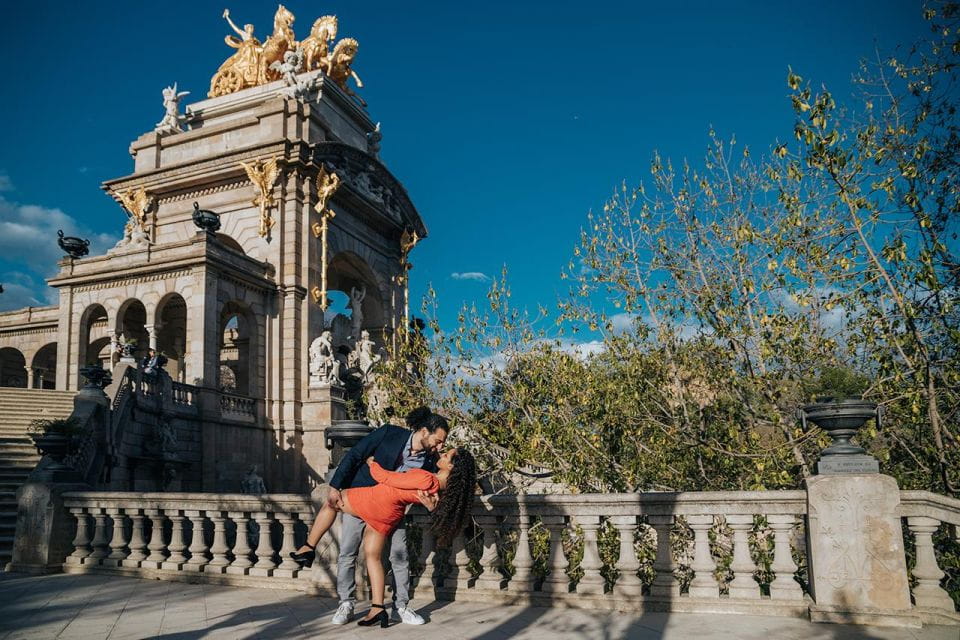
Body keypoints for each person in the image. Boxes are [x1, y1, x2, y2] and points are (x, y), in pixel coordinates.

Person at [291, 445, 476, 628]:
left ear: (451, 467)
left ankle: (308, 547)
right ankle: (377, 608)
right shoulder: (440, 490)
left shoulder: (427, 478)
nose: (442, 453)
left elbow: (388, 478)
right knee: (373, 557)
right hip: (389, 514)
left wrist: (372, 463)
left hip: (375, 501)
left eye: (447, 455)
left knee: (332, 502)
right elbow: (435, 507)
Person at [293, 407, 447, 625]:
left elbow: (428, 492)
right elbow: (355, 454)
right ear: (424, 431)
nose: (440, 447)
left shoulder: (430, 461)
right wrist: (335, 486)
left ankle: (401, 606)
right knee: (347, 552)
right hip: (360, 497)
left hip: (391, 512)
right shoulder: (389, 433)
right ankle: (346, 603)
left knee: (399, 555)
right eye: (438, 440)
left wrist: (431, 505)